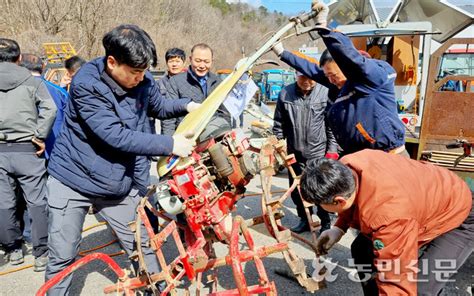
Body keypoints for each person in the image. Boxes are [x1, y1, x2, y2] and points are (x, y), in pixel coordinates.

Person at [44, 24, 200, 295]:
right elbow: (116, 135)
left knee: (142, 245)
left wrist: (187, 105)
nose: (140, 78)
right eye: (134, 73)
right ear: (112, 62)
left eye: (144, 72)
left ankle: (159, 288)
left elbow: (159, 106)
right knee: (62, 254)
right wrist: (170, 144)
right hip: (72, 179)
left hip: (115, 183)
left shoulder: (143, 79)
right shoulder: (86, 85)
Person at [300, 150, 473, 295]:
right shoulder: (348, 166)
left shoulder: (389, 216)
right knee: (361, 249)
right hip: (424, 201)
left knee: (420, 288)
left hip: (459, 215)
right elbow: (353, 197)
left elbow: (396, 280)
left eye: (320, 205)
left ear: (338, 201)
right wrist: (339, 228)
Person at [272, 0, 406, 156]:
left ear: (345, 67)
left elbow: (351, 59)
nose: (330, 81)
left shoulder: (373, 77)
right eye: (327, 76)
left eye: (333, 75)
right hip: (360, 157)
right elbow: (311, 69)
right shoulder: (341, 84)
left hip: (388, 156)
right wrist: (282, 53)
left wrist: (324, 29)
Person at [0, 38, 57, 271]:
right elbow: (50, 108)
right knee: (37, 201)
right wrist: (40, 135)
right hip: (27, 148)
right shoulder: (29, 80)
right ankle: (41, 253)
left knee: (4, 202)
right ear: (19, 57)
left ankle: (13, 250)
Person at [273, 72, 338, 234]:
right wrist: (279, 141)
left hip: (318, 153)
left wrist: (332, 150)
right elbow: (278, 123)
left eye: (311, 78)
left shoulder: (325, 92)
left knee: (322, 190)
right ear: (296, 75)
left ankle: (326, 222)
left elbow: (331, 126)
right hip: (294, 153)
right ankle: (304, 219)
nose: (308, 82)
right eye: (303, 77)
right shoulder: (285, 93)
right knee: (297, 190)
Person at [162, 43, 230, 136]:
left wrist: (225, 133)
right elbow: (169, 117)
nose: (202, 65)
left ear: (212, 61)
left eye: (206, 61)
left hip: (212, 137)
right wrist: (169, 144)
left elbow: (225, 113)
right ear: (190, 59)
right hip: (185, 137)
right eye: (198, 61)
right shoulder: (175, 81)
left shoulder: (218, 82)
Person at [20, 53, 69, 159]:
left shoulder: (16, 90)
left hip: (23, 152)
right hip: (56, 152)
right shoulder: (60, 92)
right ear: (42, 67)